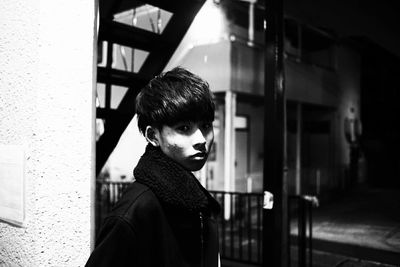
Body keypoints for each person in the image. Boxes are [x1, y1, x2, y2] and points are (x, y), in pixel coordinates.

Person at [86, 67, 221, 267]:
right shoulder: (134, 212)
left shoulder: (195, 201)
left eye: (206, 126)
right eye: (184, 128)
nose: (201, 139)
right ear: (153, 136)